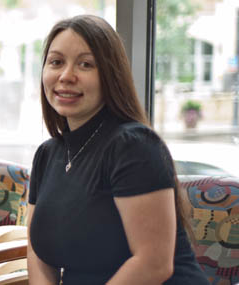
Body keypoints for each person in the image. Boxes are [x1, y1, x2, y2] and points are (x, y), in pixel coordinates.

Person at [27, 15, 209, 284]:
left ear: (110, 75)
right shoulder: (47, 154)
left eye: (86, 64)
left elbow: (153, 264)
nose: (66, 76)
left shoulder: (134, 146)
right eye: (56, 62)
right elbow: (38, 252)